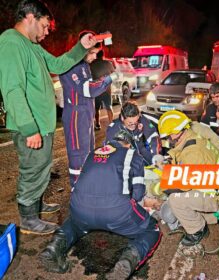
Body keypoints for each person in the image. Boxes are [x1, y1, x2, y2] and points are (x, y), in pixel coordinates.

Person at [0, 0, 99, 235]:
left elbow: (57, 64)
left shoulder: (31, 45)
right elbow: (12, 89)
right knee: (33, 170)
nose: (46, 32)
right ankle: (29, 220)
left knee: (43, 167)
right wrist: (28, 127)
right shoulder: (12, 43)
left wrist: (80, 47)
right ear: (31, 17)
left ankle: (36, 205)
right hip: (31, 125)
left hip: (41, 124)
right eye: (45, 26)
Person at [40, 130, 161, 279]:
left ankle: (53, 248)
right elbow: (137, 194)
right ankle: (127, 260)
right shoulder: (132, 154)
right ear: (129, 144)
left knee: (74, 223)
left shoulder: (93, 152)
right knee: (152, 229)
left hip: (80, 208)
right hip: (116, 212)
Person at [157, 110, 219, 246]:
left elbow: (183, 185)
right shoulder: (192, 137)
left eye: (167, 136)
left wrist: (160, 188)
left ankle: (198, 230)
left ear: (175, 133)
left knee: (175, 200)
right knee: (180, 207)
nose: (167, 140)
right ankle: (211, 218)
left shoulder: (192, 153)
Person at [59, 31, 116, 188]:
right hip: (76, 116)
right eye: (91, 53)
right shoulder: (70, 63)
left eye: (95, 53)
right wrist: (109, 78)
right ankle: (77, 190)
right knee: (78, 155)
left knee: (88, 153)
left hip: (85, 113)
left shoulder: (83, 65)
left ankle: (87, 188)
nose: (92, 58)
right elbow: (87, 89)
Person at [106, 101, 162, 165]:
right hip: (124, 159)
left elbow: (153, 137)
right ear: (122, 118)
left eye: (136, 122)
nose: (133, 126)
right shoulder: (113, 129)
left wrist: (156, 157)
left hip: (141, 151)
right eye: (130, 123)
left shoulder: (142, 119)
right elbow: (110, 155)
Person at [90, 49, 115, 130]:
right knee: (109, 106)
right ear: (103, 55)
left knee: (96, 108)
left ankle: (97, 124)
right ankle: (111, 124)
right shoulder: (107, 63)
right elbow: (113, 73)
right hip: (106, 88)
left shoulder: (91, 64)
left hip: (96, 89)